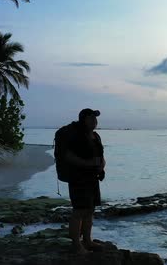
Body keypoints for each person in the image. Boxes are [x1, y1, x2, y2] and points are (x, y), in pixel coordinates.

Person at [64, 108, 106, 254]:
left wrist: (101, 166)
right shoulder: (76, 136)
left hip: (93, 178)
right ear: (83, 119)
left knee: (90, 209)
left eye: (95, 118)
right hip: (78, 178)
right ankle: (76, 245)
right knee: (79, 211)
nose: (94, 121)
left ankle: (87, 240)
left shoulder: (96, 136)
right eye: (91, 118)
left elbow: (101, 156)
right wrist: (88, 164)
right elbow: (68, 157)